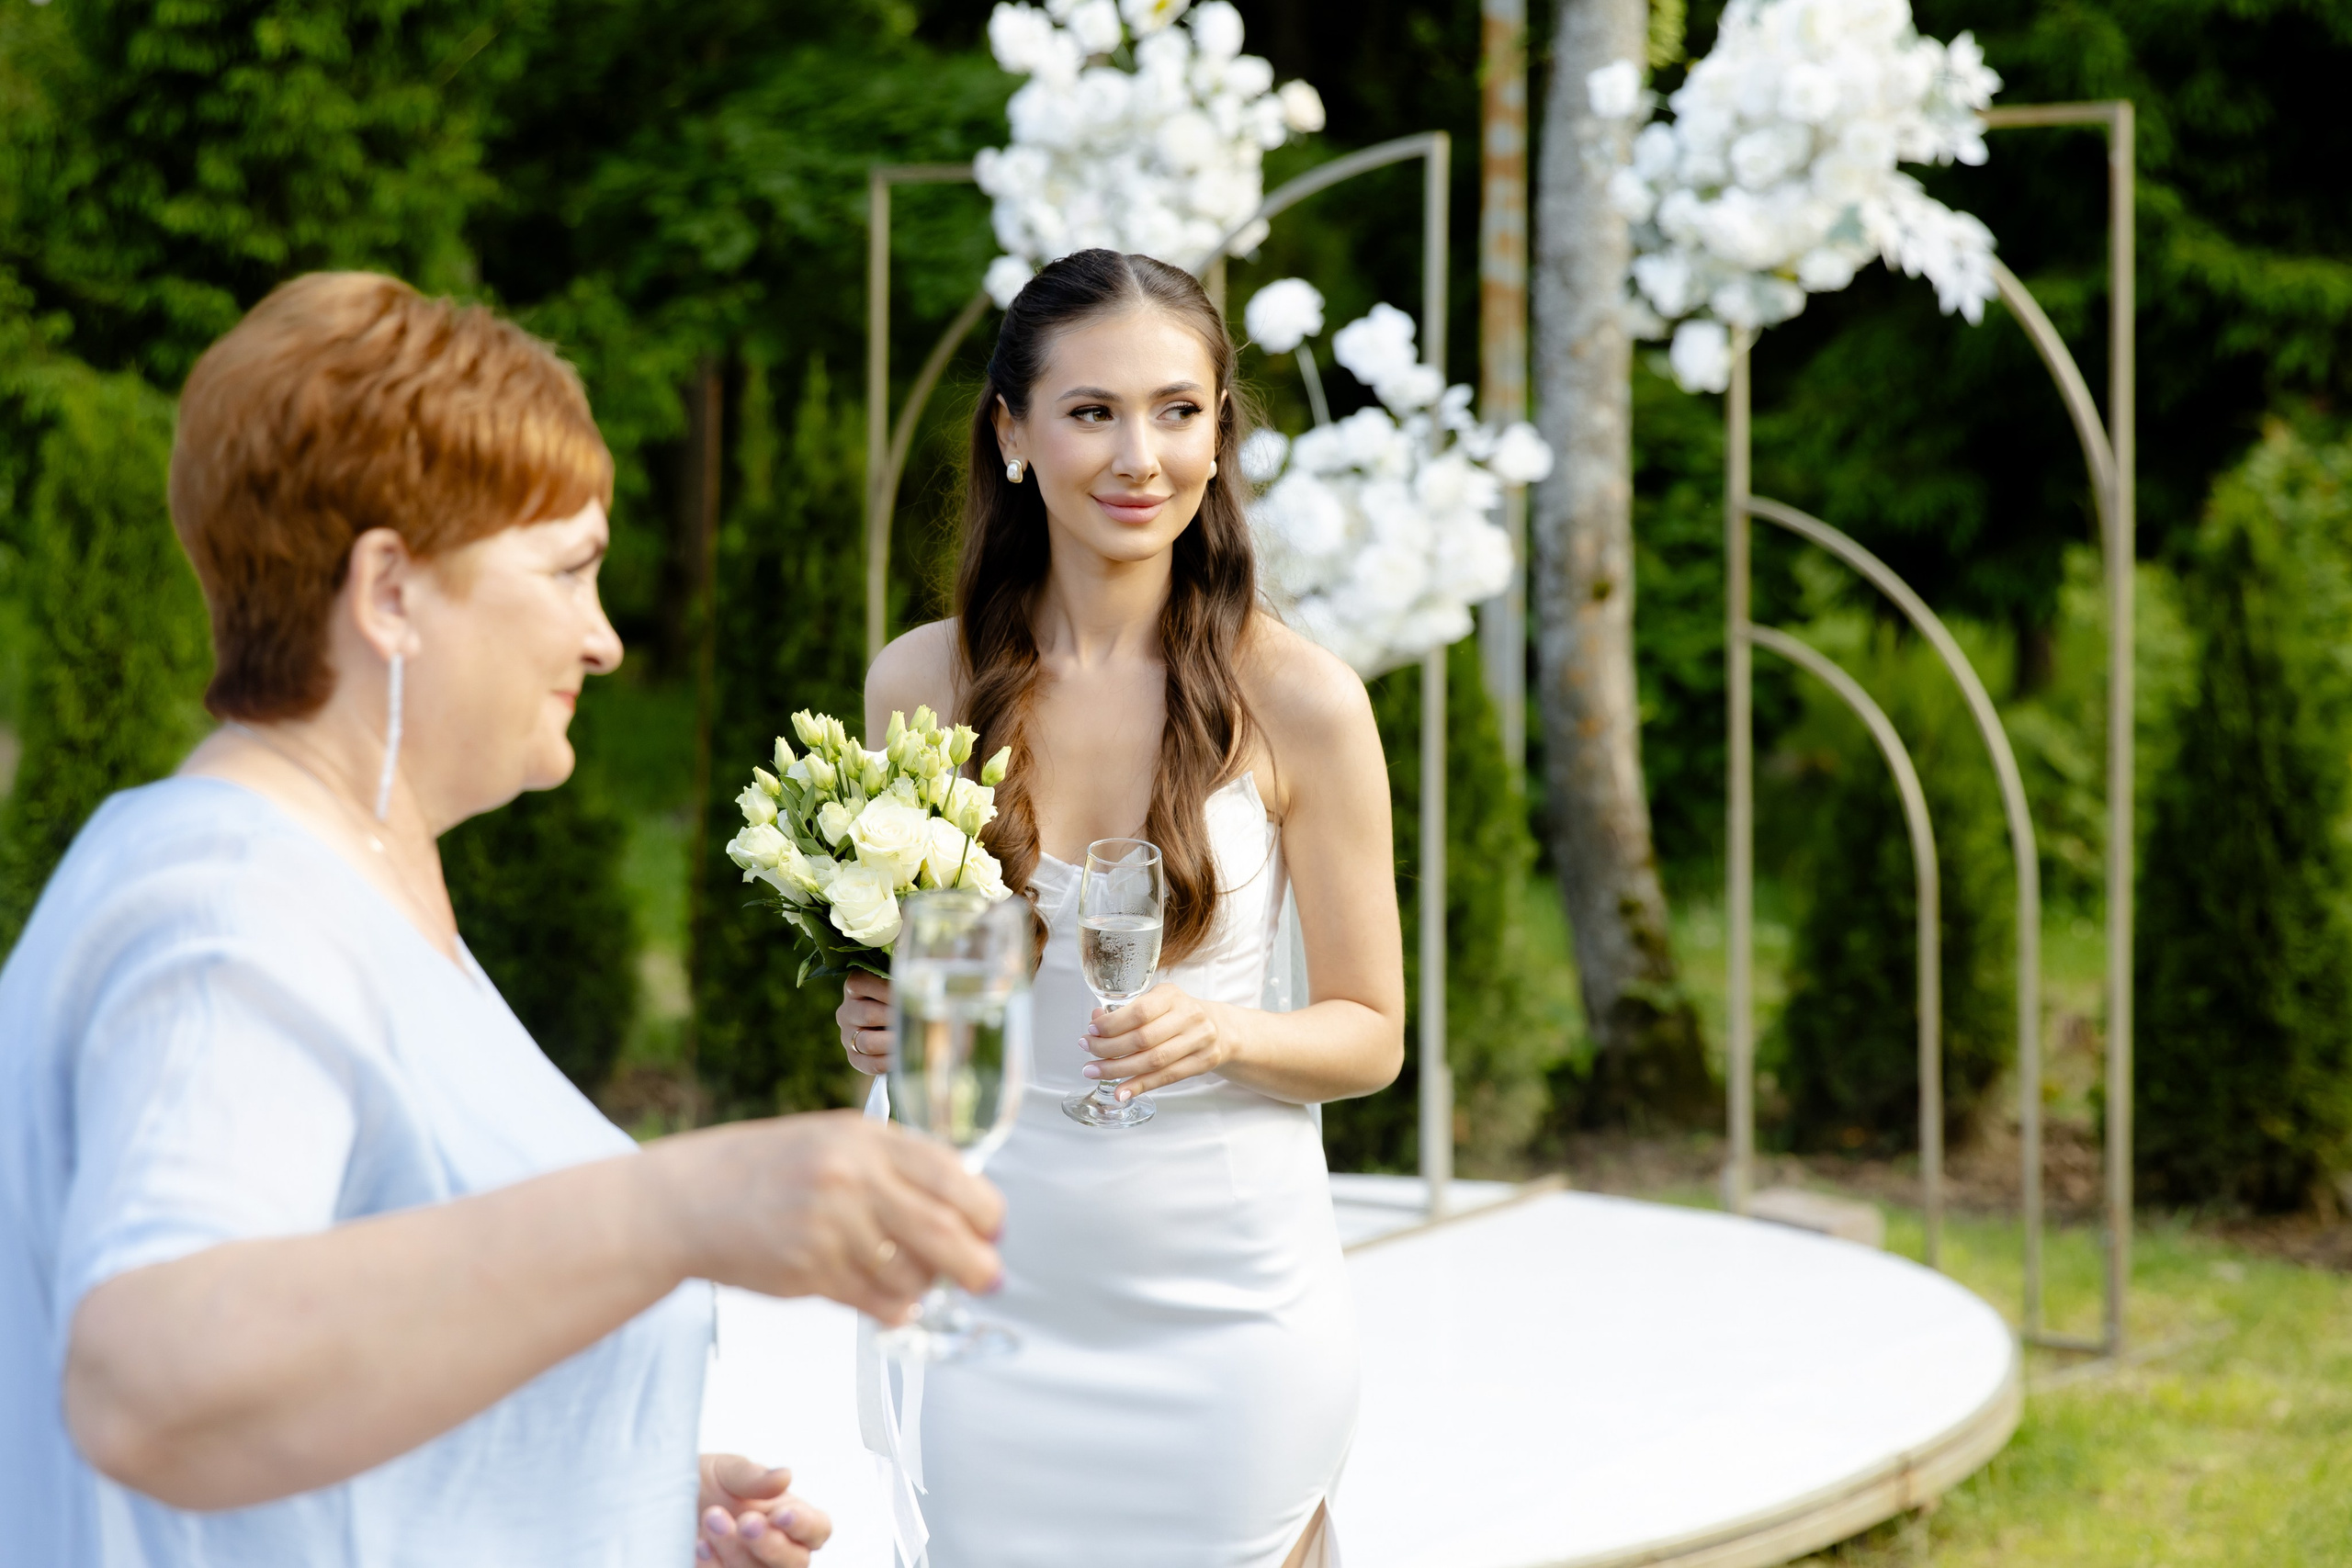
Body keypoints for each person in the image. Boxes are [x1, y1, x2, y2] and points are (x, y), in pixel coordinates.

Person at [0, 272, 1005, 1568]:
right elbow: (156, 1381)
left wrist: (604, 1482)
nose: (605, 642)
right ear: (391, 594)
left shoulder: (344, 873)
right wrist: (680, 1204)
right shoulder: (226, 913)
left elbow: (357, 1326)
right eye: (568, 570)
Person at [836, 248, 1407, 1567]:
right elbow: (946, 1014)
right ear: (1014, 435)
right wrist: (886, 1031)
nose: (1138, 454)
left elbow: (1371, 1033)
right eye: (1092, 411)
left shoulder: (1305, 702)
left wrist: (1230, 1038)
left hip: (1230, 1323)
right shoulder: (920, 681)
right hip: (995, 1307)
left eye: (1177, 410)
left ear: (1219, 430)